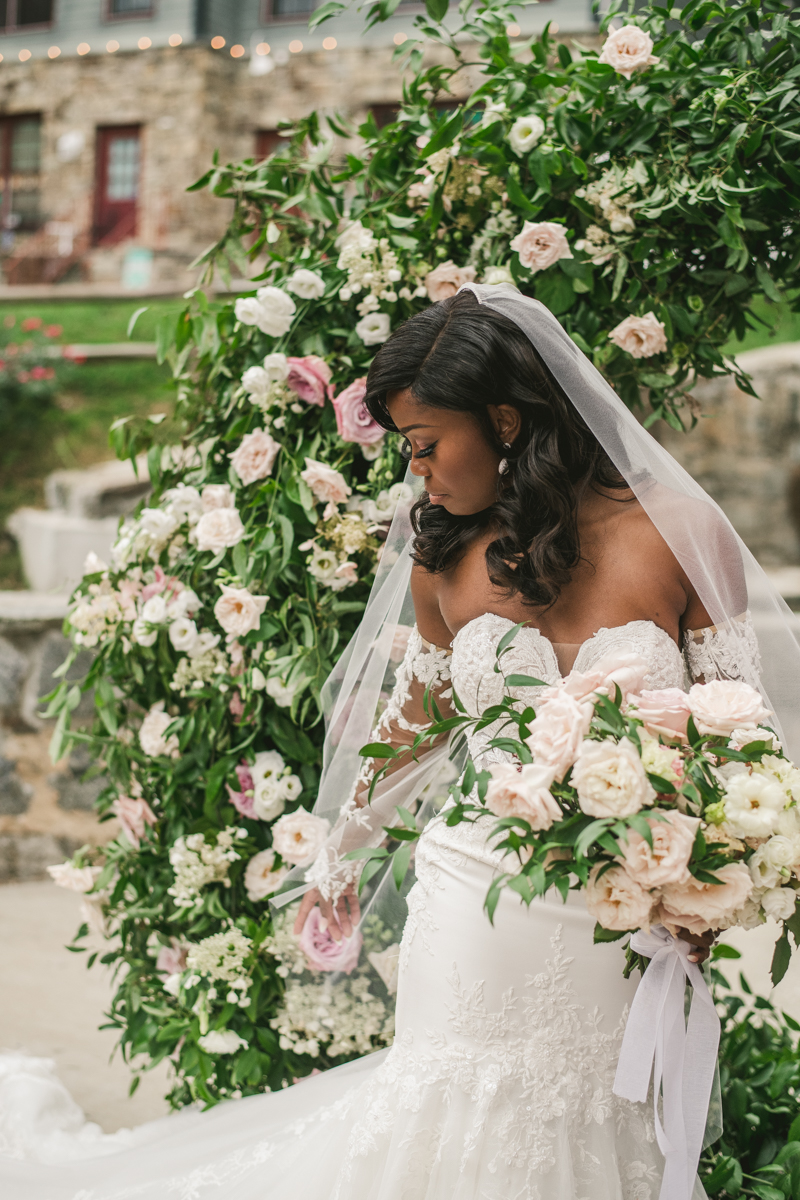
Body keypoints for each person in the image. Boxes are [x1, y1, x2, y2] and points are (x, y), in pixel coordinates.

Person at [0, 286, 775, 1199]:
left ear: (506, 420)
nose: (421, 476)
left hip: (631, 920)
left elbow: (745, 740)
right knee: (459, 1125)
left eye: (426, 445)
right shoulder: (442, 553)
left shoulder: (682, 534)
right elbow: (411, 725)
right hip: (481, 905)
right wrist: (340, 857)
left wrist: (710, 886)